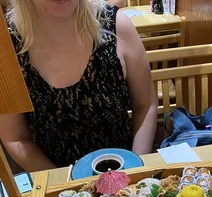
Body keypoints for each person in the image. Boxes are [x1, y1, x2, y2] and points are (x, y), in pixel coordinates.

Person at [0, 0, 157, 172]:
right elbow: (15, 138)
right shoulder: (7, 46)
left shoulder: (117, 25)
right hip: (54, 179)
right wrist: (65, 186)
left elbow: (145, 105)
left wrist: (136, 170)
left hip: (125, 172)